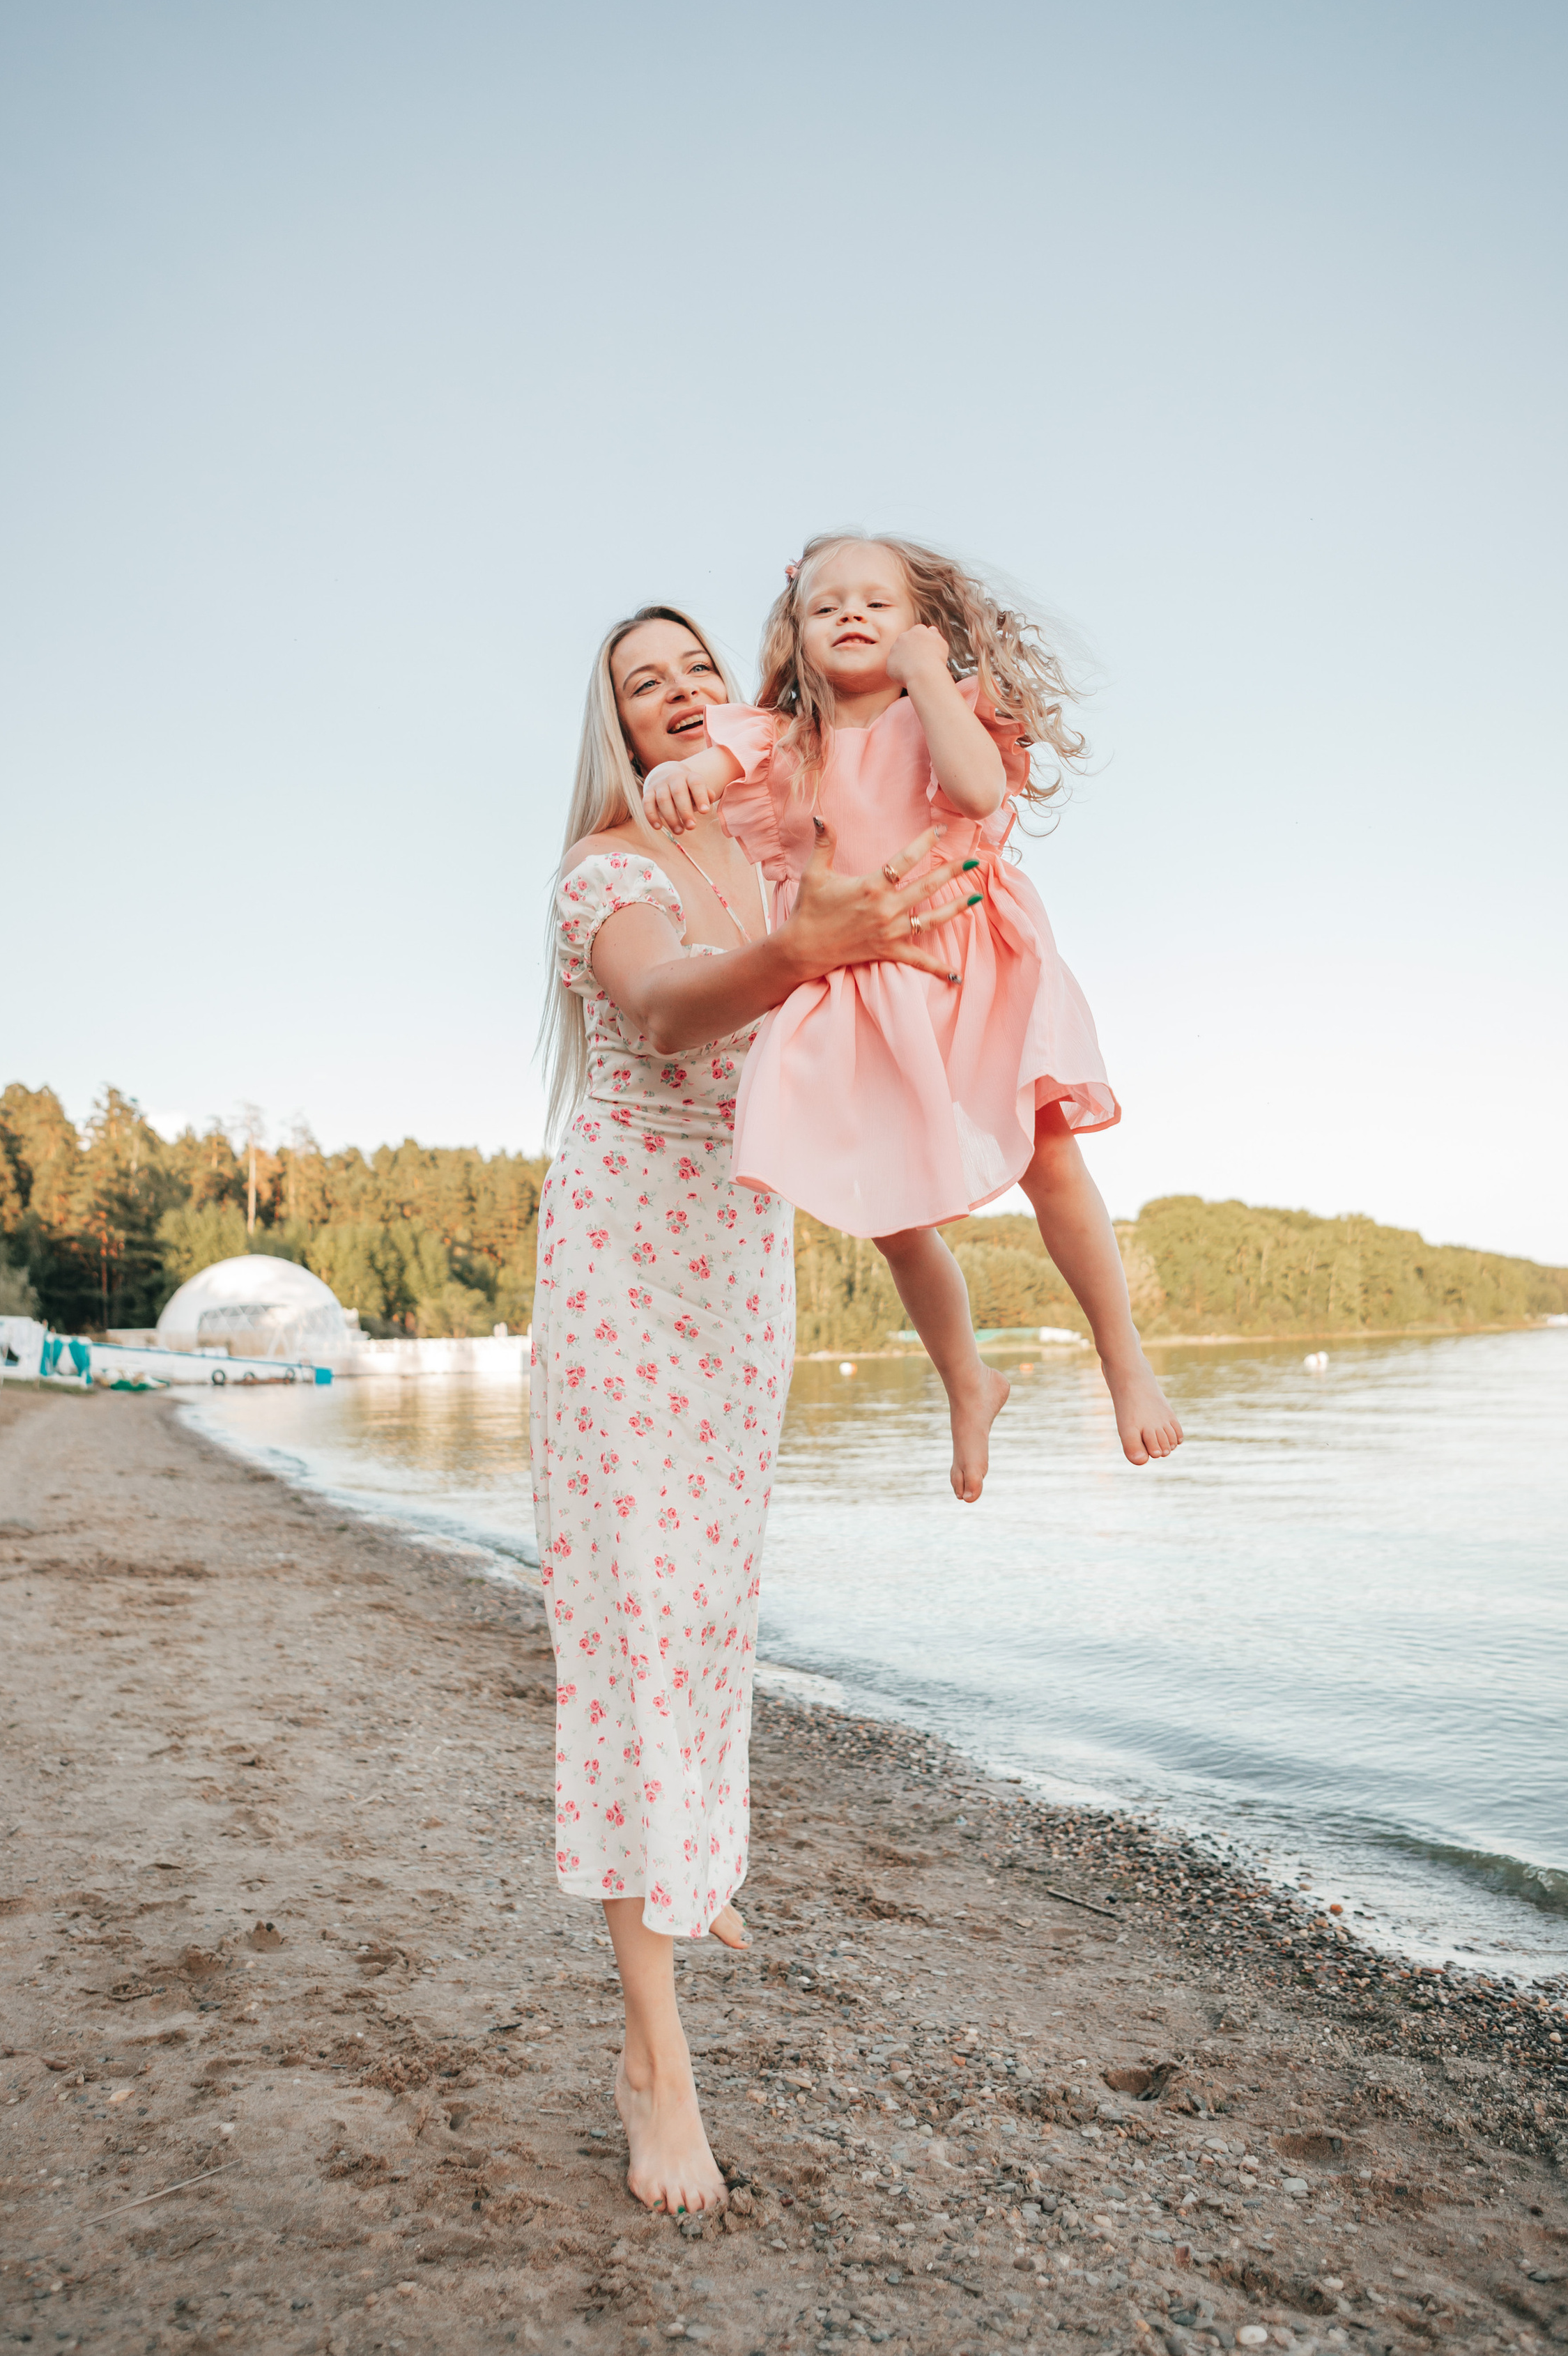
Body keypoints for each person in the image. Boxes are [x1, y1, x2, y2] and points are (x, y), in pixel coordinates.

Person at [532, 603, 971, 2217]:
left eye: (692, 671)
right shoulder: (609, 868)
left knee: (712, 1612)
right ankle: (654, 2063)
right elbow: (660, 1011)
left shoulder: (771, 848)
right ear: (614, 726)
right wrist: (807, 942)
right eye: (640, 686)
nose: (674, 698)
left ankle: (690, 1859)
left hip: (740, 1270)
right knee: (637, 1625)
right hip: (622, 1271)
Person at [638, 532, 1183, 1502]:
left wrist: (929, 672)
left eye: (877, 604)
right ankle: (967, 1379)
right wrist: (672, 778)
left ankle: (1124, 1360)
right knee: (890, 1215)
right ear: (796, 637)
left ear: (918, 627)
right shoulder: (771, 739)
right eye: (826, 604)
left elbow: (975, 790)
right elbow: (706, 771)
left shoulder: (940, 711)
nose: (851, 614)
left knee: (1050, 1156)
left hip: (972, 955)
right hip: (862, 981)